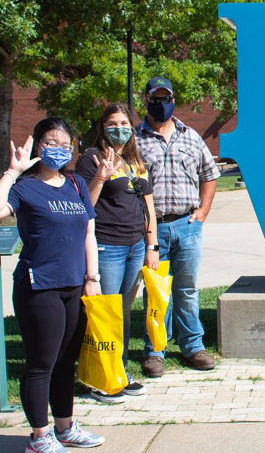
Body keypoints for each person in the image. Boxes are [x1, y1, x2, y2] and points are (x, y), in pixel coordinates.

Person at [0, 119, 105, 452]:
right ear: (38, 145)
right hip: (39, 285)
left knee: (65, 362)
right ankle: (39, 438)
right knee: (42, 362)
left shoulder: (74, 184)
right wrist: (12, 171)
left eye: (65, 142)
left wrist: (91, 278)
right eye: (51, 141)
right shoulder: (25, 186)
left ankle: (65, 428)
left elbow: (88, 231)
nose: (59, 148)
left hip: (74, 284)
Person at [136, 77, 220, 377]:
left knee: (186, 289)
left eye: (166, 97)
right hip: (152, 229)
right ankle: (155, 351)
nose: (161, 103)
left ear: (173, 98)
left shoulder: (191, 136)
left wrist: (203, 210)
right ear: (145, 99)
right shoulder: (135, 140)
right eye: (155, 98)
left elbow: (209, 174)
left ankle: (193, 347)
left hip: (187, 225)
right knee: (156, 292)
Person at [75, 103, 159, 402]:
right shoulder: (90, 159)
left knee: (122, 312)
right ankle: (99, 379)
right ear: (103, 126)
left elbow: (148, 204)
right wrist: (100, 176)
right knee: (103, 312)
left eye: (125, 122)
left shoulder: (136, 159)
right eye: (113, 123)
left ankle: (119, 372)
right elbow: (83, 205)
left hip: (136, 246)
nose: (119, 128)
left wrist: (152, 245)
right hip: (106, 245)